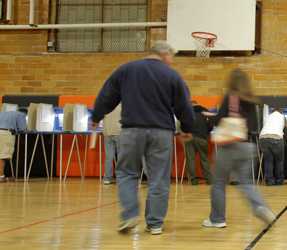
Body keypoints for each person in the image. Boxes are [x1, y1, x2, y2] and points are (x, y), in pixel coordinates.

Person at [90, 40, 195, 235]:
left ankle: (130, 215)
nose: (172, 61)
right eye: (172, 57)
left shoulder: (127, 69)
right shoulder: (172, 75)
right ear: (165, 54)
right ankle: (155, 223)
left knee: (127, 173)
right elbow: (183, 104)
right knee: (159, 178)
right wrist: (187, 128)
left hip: (132, 130)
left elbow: (107, 95)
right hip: (162, 133)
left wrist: (96, 116)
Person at [205, 68, 275, 230]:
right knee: (247, 184)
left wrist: (209, 116)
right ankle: (261, 208)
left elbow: (218, 121)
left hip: (228, 146)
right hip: (248, 146)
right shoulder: (252, 100)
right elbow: (253, 125)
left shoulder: (230, 97)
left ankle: (217, 219)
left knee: (219, 183)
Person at [0, 107, 28, 183]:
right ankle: (1, 177)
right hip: (5, 134)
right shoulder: (21, 115)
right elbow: (23, 128)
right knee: (2, 155)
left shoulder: (1, 114)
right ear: (25, 114)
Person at [184, 101, 214, 186]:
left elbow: (183, 125)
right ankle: (209, 180)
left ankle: (194, 180)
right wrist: (205, 131)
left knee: (190, 160)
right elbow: (211, 125)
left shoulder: (187, 112)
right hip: (201, 137)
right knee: (204, 159)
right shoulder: (206, 112)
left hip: (189, 138)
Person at [260, 108, 287, 186]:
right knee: (279, 160)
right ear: (281, 112)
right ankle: (279, 181)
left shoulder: (267, 117)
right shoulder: (282, 117)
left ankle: (269, 181)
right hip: (276, 138)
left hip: (263, 138)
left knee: (267, 160)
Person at [102, 104, 122, 185]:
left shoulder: (106, 106)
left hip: (108, 134)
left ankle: (107, 178)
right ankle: (120, 178)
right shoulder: (122, 106)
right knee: (121, 158)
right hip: (119, 133)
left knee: (108, 158)